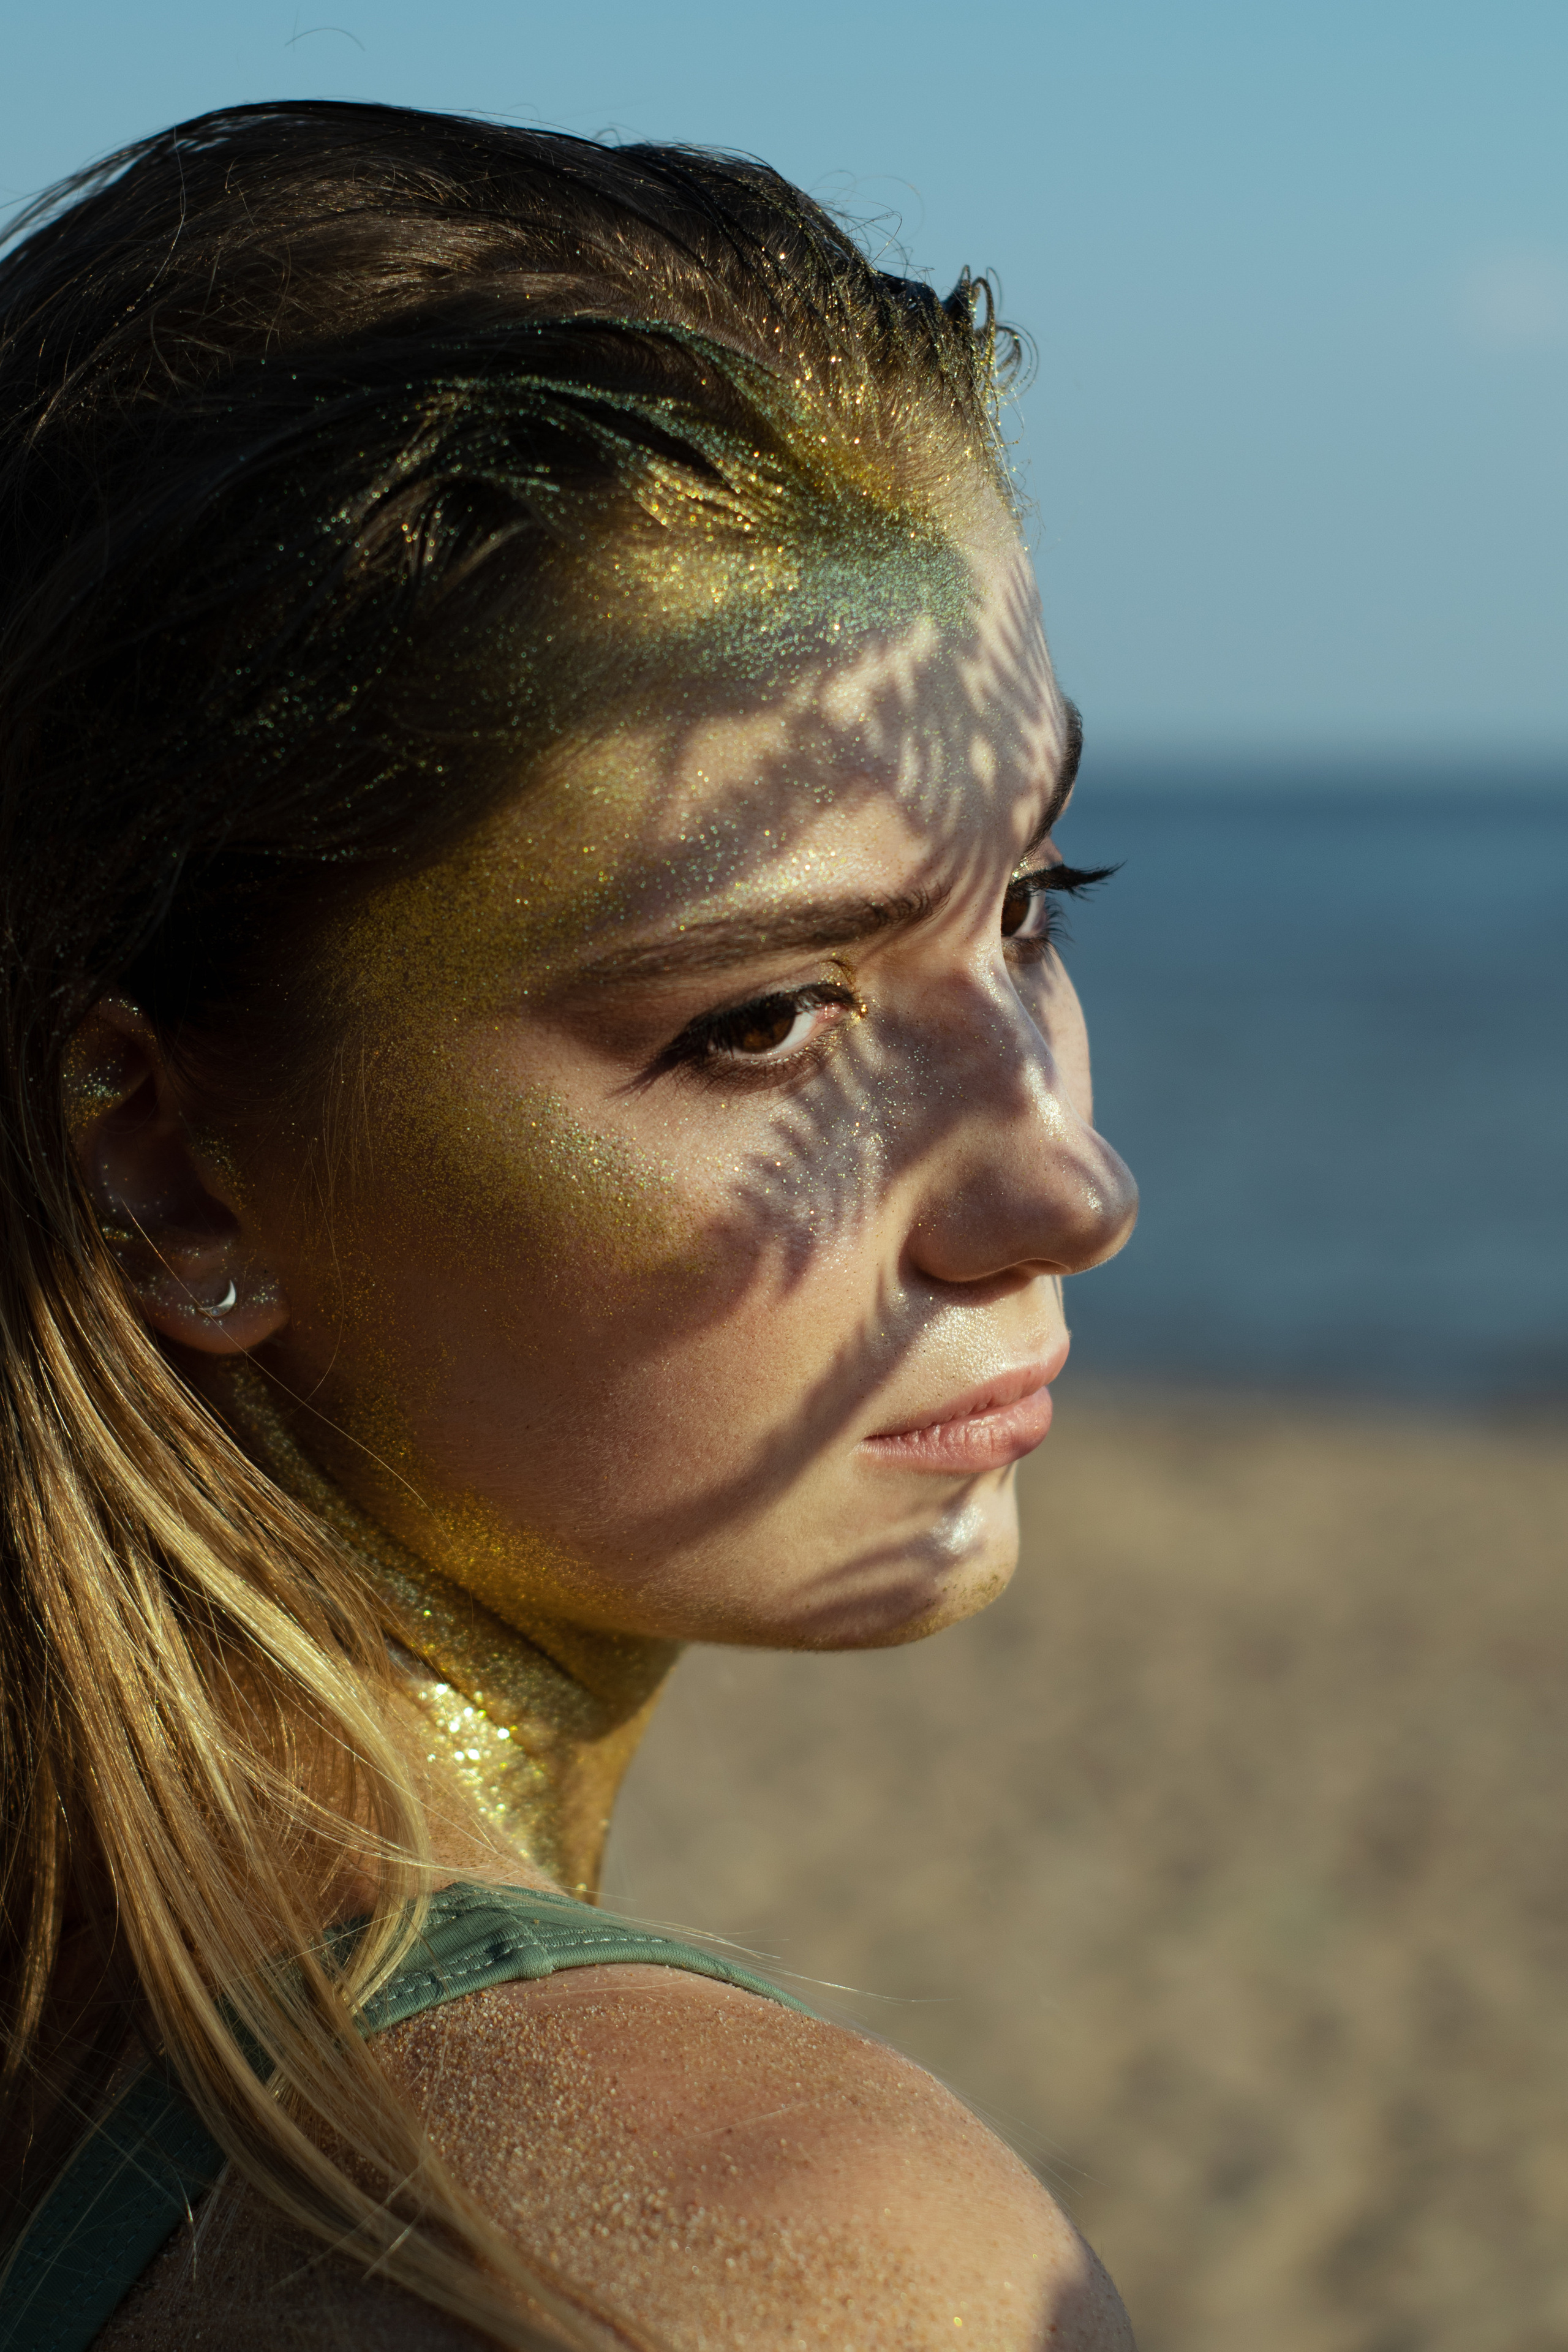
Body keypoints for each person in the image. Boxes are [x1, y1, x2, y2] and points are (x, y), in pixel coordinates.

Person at [0, 102, 1140, 2350]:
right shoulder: (771, 2254)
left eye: (1030, 904)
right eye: (762, 1022)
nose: (1068, 1193)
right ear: (167, 1163)